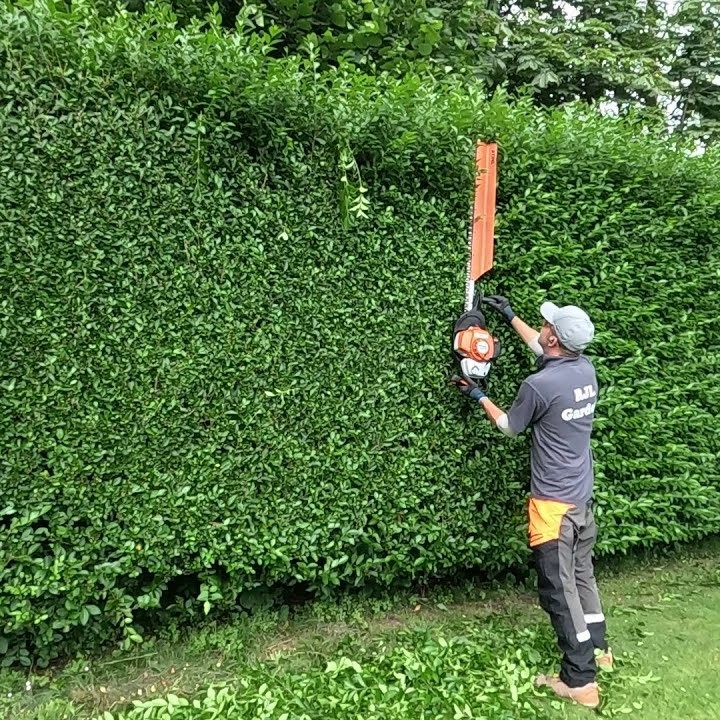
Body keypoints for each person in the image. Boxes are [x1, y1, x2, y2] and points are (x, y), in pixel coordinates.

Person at [452, 296, 613, 709]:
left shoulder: (538, 386)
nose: (542, 329)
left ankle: (580, 680)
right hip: (581, 498)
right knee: (582, 576)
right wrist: (509, 316)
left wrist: (478, 395)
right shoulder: (584, 370)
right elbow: (543, 349)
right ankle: (600, 650)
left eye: (547, 326)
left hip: (553, 507)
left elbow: (510, 426)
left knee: (559, 591)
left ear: (554, 339)